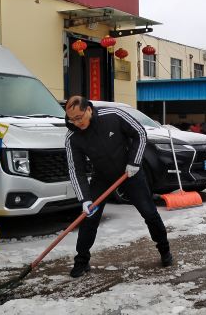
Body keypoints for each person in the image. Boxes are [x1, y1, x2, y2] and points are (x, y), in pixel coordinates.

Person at [64, 95, 173, 277]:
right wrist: (85, 199)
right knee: (89, 218)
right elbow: (76, 171)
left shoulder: (113, 115)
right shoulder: (72, 137)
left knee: (149, 213)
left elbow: (140, 133)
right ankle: (81, 261)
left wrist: (134, 162)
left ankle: (165, 250)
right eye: (71, 119)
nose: (76, 123)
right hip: (102, 176)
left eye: (79, 118)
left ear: (88, 109)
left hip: (130, 172)